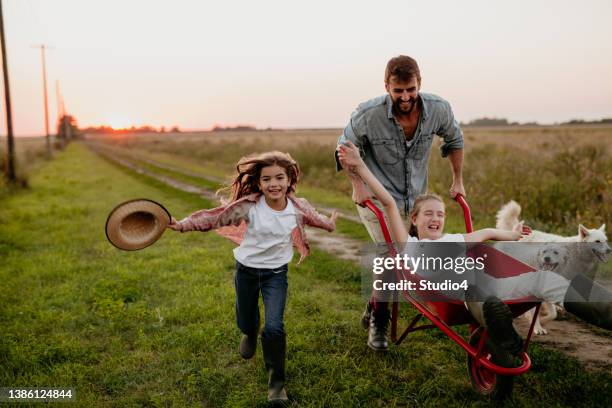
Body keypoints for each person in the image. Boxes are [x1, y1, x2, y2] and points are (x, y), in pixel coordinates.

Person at [338, 140, 612, 360]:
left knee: (545, 279)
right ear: (415, 219)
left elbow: (489, 233)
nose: (435, 219)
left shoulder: (455, 238)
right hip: (461, 294)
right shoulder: (409, 246)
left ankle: (606, 310)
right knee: (473, 287)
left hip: (492, 287)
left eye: (440, 214)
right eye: (428, 214)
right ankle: (501, 329)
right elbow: (386, 202)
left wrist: (514, 234)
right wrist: (360, 167)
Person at [166, 151, 337, 403]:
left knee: (275, 327)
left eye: (280, 177)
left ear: (290, 180)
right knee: (246, 319)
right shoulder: (249, 206)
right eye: (267, 179)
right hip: (246, 271)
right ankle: (248, 332)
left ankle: (276, 386)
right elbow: (216, 217)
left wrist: (329, 223)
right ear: (259, 183)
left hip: (276, 275)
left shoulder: (297, 208)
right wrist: (183, 224)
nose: (274, 184)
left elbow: (316, 218)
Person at [336, 55, 465, 351]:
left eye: (410, 89)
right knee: (391, 255)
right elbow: (344, 148)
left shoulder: (438, 109)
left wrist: (458, 180)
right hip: (377, 196)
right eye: (398, 91)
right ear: (386, 87)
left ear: (419, 83)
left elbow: (455, 140)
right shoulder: (367, 114)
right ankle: (379, 323)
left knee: (410, 256)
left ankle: (372, 305)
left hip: (416, 197)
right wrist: (357, 185)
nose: (405, 97)